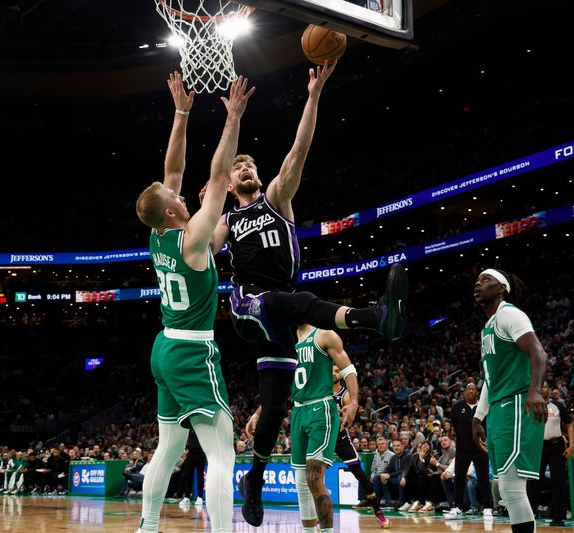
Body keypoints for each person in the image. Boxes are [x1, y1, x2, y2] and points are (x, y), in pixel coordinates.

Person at [212, 60, 410, 527]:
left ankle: (255, 481)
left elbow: (299, 149)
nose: (245, 169)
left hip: (276, 318)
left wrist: (315, 93)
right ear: (229, 180)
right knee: (299, 301)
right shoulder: (226, 219)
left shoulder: (277, 197)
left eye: (250, 164)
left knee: (276, 404)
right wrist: (231, 126)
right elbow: (200, 244)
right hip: (248, 306)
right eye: (238, 166)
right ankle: (374, 317)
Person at [134, 73, 255, 533]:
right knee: (222, 451)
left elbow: (173, 170)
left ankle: (148, 525)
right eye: (172, 197)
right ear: (170, 211)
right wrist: (233, 118)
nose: (177, 191)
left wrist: (181, 113)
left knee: (167, 448)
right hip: (191, 350)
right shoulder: (192, 236)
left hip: (163, 348)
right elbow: (220, 175)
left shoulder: (158, 232)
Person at [471, 268, 547, 533]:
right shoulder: (487, 327)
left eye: (486, 280)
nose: (478, 284)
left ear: (501, 287)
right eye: (477, 280)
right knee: (506, 488)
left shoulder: (509, 314)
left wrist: (535, 390)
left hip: (516, 404)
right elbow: (490, 380)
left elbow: (538, 351)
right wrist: (478, 416)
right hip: (500, 408)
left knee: (512, 489)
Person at [288, 325, 368, 533]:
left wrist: (354, 402)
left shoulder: (324, 335)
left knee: (314, 478)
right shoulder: (287, 341)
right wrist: (259, 412)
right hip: (297, 410)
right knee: (300, 481)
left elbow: (348, 368)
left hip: (320, 407)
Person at [332, 365, 390, 527]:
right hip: (323, 439)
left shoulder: (345, 395)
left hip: (340, 438)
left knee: (360, 474)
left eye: (337, 370)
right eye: (331, 370)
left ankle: (378, 511)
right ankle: (315, 515)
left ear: (341, 375)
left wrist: (345, 415)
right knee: (314, 475)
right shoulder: (320, 393)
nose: (333, 373)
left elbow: (349, 418)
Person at [528, 381, 574, 526]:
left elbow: (570, 425)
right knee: (533, 481)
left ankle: (559, 517)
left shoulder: (558, 405)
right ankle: (531, 514)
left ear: (549, 390)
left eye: (545, 387)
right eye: (540, 386)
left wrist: (572, 445)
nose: (543, 389)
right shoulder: (530, 406)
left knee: (558, 482)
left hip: (556, 445)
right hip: (537, 446)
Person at [445, 382, 493, 519]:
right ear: (465, 392)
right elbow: (454, 424)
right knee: (459, 478)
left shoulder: (484, 406)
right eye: (468, 389)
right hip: (462, 448)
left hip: (480, 448)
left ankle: (488, 507)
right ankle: (457, 507)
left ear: (478, 392)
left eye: (473, 389)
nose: (471, 391)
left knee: (483, 478)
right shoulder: (457, 407)